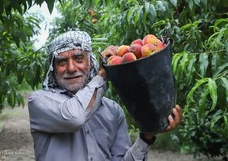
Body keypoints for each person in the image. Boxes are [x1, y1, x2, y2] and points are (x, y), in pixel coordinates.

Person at [28, 30, 183, 161]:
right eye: (62, 62)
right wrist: (102, 75)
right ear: (53, 69)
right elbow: (75, 117)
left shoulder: (112, 111)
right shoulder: (39, 101)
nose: (71, 68)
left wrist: (147, 136)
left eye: (79, 58)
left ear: (90, 63)